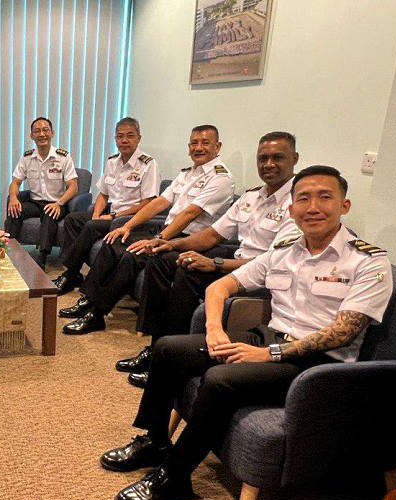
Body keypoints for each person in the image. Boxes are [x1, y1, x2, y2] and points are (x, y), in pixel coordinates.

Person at [100, 165, 393, 500]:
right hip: (268, 338)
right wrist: (213, 330)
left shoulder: (368, 261)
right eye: (303, 198)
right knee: (168, 349)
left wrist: (269, 354)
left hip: (318, 363)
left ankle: (174, 477)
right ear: (292, 208)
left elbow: (344, 332)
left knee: (220, 379)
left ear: (344, 206)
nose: (313, 206)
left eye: (324, 196)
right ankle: (155, 441)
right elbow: (219, 286)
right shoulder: (285, 249)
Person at [119, 131, 301, 386]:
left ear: (294, 158)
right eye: (263, 158)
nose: (268, 164)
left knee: (188, 271)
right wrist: (169, 243)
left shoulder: (299, 203)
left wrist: (214, 263)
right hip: (236, 259)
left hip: (260, 275)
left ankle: (172, 356)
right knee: (162, 258)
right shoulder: (252, 197)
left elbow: (271, 263)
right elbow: (212, 236)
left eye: (277, 158)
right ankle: (156, 346)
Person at [60, 125, 234, 335]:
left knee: (133, 254)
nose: (198, 147)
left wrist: (158, 239)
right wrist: (126, 226)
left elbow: (189, 214)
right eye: (194, 143)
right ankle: (88, 300)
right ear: (188, 146)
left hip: (191, 240)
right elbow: (160, 202)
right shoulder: (188, 174)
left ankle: (96, 314)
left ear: (218, 146)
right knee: (114, 240)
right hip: (167, 229)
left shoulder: (220, 178)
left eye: (205, 143)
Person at [52, 117, 160, 294]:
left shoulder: (148, 164)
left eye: (130, 136)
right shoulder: (112, 162)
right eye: (120, 136)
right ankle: (74, 271)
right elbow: (103, 193)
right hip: (111, 212)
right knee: (73, 219)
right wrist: (96, 213)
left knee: (91, 226)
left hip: (129, 218)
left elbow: (148, 203)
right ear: (115, 139)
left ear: (138, 138)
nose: (124, 140)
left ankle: (70, 274)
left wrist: (113, 216)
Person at [4, 116, 79, 268]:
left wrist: (59, 203)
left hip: (57, 203)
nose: (41, 134)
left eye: (45, 130)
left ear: (52, 133)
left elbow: (73, 186)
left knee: (49, 212)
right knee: (15, 210)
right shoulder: (27, 157)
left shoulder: (63, 157)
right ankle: (9, 251)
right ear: (32, 136)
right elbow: (15, 182)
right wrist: (13, 197)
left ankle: (42, 256)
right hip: (35, 202)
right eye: (37, 131)